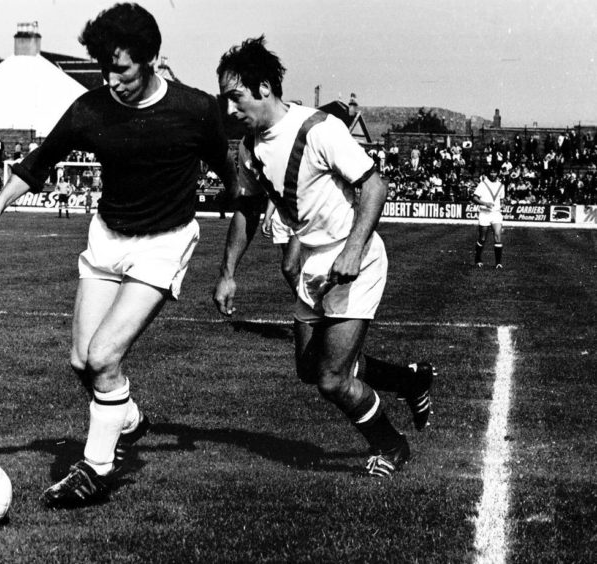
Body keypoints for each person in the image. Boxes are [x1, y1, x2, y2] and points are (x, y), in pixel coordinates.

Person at [0, 2, 235, 506]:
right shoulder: (90, 109)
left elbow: (228, 167)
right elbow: (38, 162)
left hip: (163, 243)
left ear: (152, 58)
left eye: (122, 68)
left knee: (103, 356)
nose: (112, 79)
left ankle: (95, 469)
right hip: (108, 238)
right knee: (80, 362)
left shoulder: (195, 109)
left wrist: (247, 206)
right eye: (104, 69)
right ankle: (128, 417)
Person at [214, 36, 434, 478]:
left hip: (356, 259)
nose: (230, 110)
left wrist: (353, 249)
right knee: (311, 370)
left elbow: (375, 186)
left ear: (262, 89)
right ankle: (411, 381)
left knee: (332, 379)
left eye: (235, 97)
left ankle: (391, 446)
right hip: (314, 262)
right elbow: (250, 208)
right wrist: (228, 273)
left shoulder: (319, 130)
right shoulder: (249, 147)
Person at [261, 200, 301, 297]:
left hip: (301, 214)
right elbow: (274, 189)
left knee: (289, 268)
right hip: (281, 218)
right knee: (294, 272)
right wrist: (267, 216)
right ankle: (305, 307)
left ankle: (309, 306)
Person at [471, 168, 505, 268]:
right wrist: (485, 204)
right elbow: (474, 198)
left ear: (498, 173)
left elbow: (502, 199)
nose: (493, 174)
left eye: (494, 172)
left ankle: (498, 263)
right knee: (482, 238)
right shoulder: (483, 184)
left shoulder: (501, 185)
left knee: (498, 236)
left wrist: (503, 204)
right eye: (491, 172)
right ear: (488, 173)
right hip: (484, 213)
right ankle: (478, 259)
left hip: (496, 213)